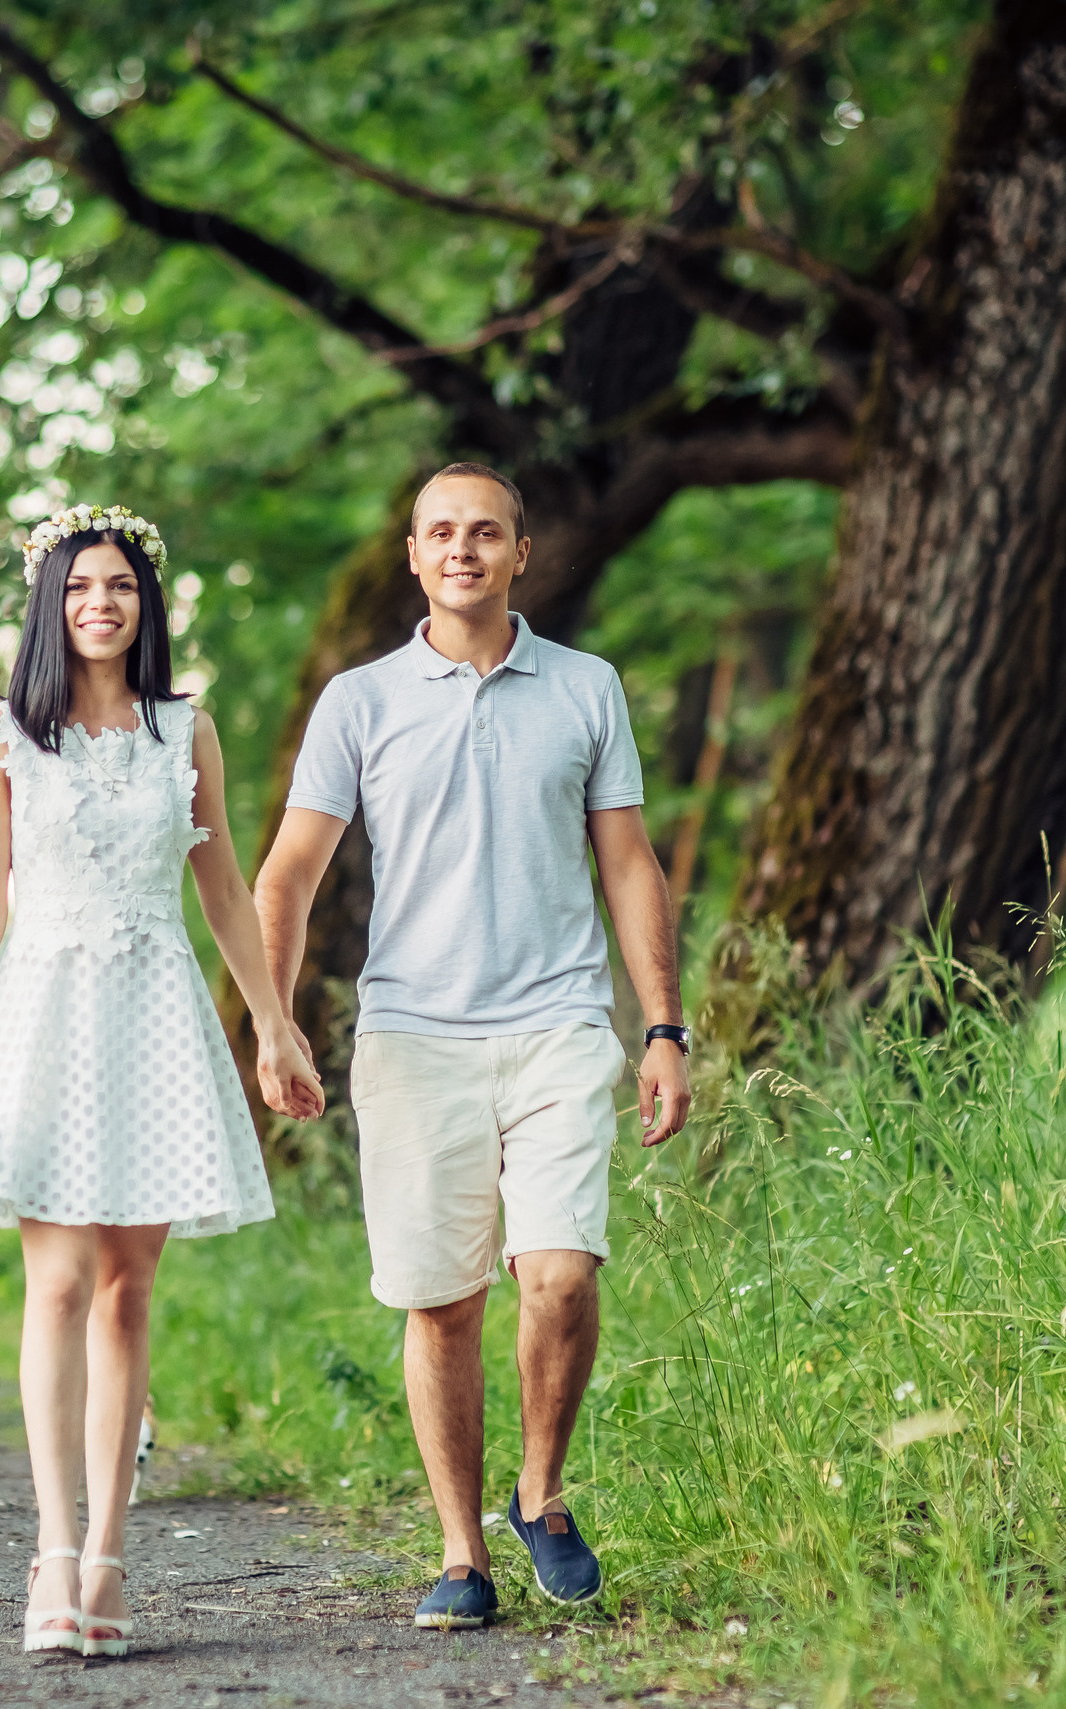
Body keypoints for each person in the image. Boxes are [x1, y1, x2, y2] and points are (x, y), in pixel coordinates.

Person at [255, 463, 692, 1629]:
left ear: (519, 552)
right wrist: (273, 1012)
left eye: (483, 531)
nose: (462, 549)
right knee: (441, 1301)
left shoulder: (586, 687)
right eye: (440, 532)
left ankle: (540, 1494)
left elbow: (629, 862)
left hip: (557, 1021)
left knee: (556, 1273)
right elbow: (291, 870)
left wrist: (661, 1024)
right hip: (414, 1033)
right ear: (412, 556)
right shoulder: (359, 700)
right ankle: (461, 1551)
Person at [0, 503, 324, 1660]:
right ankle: (48, 1548)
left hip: (154, 1008)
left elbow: (225, 887)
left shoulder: (184, 728)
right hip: (41, 1009)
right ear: (51, 602)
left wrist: (273, 1026)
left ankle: (109, 1556)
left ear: (146, 605)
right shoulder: (2, 734)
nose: (102, 603)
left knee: (131, 1287)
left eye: (121, 587)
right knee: (59, 1282)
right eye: (82, 586)